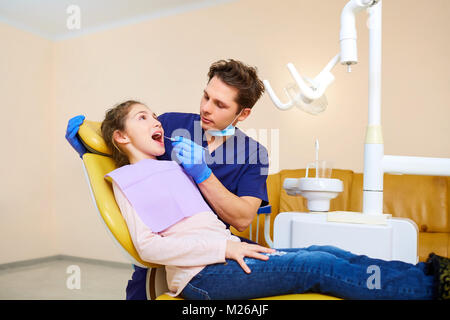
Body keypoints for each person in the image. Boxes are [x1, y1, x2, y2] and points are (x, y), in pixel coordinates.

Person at [100, 100, 448, 300]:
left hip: (228, 252)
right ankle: (433, 289)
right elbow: (147, 248)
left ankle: (428, 273)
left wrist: (229, 242)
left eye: (154, 115)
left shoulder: (172, 165)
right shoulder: (126, 180)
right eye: (143, 117)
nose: (156, 120)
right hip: (202, 276)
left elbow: (232, 216)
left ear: (242, 113)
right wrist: (224, 249)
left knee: (328, 252)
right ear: (121, 136)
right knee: (321, 268)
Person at [65, 59, 269, 300]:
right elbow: (129, 140)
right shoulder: (172, 124)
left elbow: (243, 217)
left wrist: (203, 174)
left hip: (211, 249)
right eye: (205, 97)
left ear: (242, 113)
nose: (206, 108)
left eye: (219, 104)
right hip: (163, 248)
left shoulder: (254, 153)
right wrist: (93, 149)